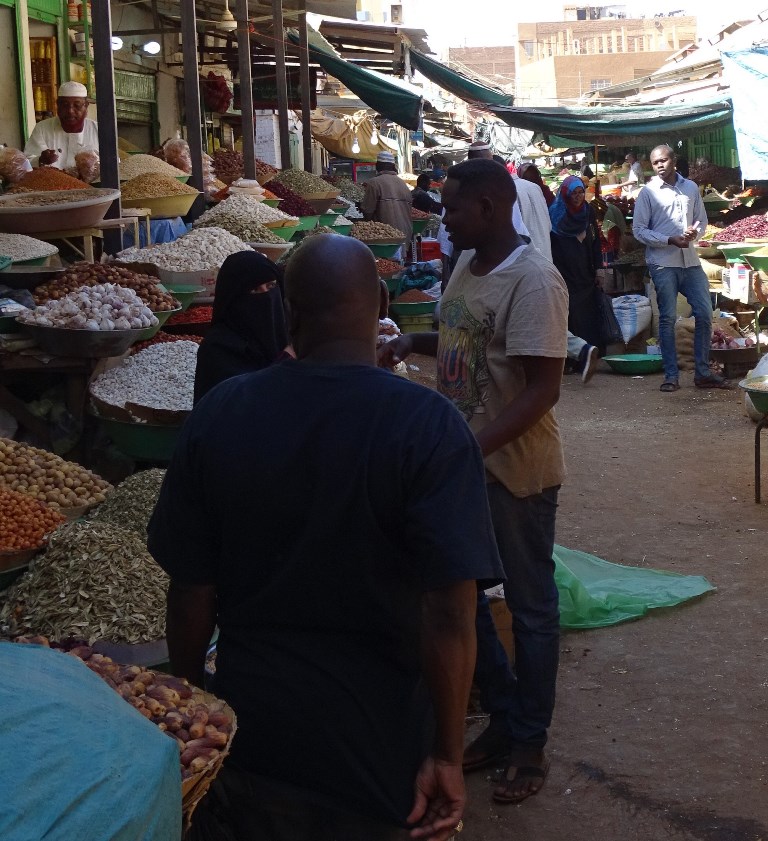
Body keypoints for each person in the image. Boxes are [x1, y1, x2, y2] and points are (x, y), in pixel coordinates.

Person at [148, 233, 504, 841]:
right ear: (381, 305)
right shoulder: (427, 426)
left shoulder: (223, 411)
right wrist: (447, 753)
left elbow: (190, 591)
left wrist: (188, 704)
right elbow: (451, 612)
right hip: (380, 744)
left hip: (253, 737)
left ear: (289, 311)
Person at [379, 158, 568, 807]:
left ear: (489, 205)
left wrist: (468, 447)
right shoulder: (465, 264)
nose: (444, 219)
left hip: (513, 473)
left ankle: (528, 742)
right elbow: (465, 341)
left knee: (530, 607)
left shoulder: (535, 279)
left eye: (453, 208)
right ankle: (504, 714)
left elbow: (542, 388)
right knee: (457, 593)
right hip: (460, 464)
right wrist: (411, 340)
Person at [632, 144, 730, 391]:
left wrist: (693, 232)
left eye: (664, 160)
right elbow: (639, 230)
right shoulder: (648, 192)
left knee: (705, 313)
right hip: (663, 263)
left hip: (690, 262)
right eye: (656, 163)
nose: (660, 166)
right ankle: (671, 375)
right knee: (666, 318)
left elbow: (702, 221)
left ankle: (702, 373)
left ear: (673, 161)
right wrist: (668, 239)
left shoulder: (690, 188)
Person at [193, 250, 289, 405]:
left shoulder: (291, 335)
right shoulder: (218, 350)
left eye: (271, 286)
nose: (266, 296)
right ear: (233, 298)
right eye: (254, 290)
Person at [549, 175, 604, 352]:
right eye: (574, 193)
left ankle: (591, 351)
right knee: (570, 313)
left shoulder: (588, 211)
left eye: (581, 192)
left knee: (587, 312)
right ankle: (573, 356)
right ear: (566, 194)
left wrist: (598, 269)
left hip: (585, 271)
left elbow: (596, 241)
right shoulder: (556, 214)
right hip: (564, 271)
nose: (578, 196)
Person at [24, 81, 99, 171]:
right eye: (65, 105)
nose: (70, 111)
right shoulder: (42, 128)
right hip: (51, 184)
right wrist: (40, 160)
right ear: (58, 105)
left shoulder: (98, 130)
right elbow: (27, 162)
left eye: (77, 105)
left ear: (86, 106)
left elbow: (112, 163)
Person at [360, 151, 413, 241]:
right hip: (405, 234)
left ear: (378, 165)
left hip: (385, 237)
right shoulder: (403, 184)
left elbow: (368, 211)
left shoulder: (374, 182)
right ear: (393, 166)